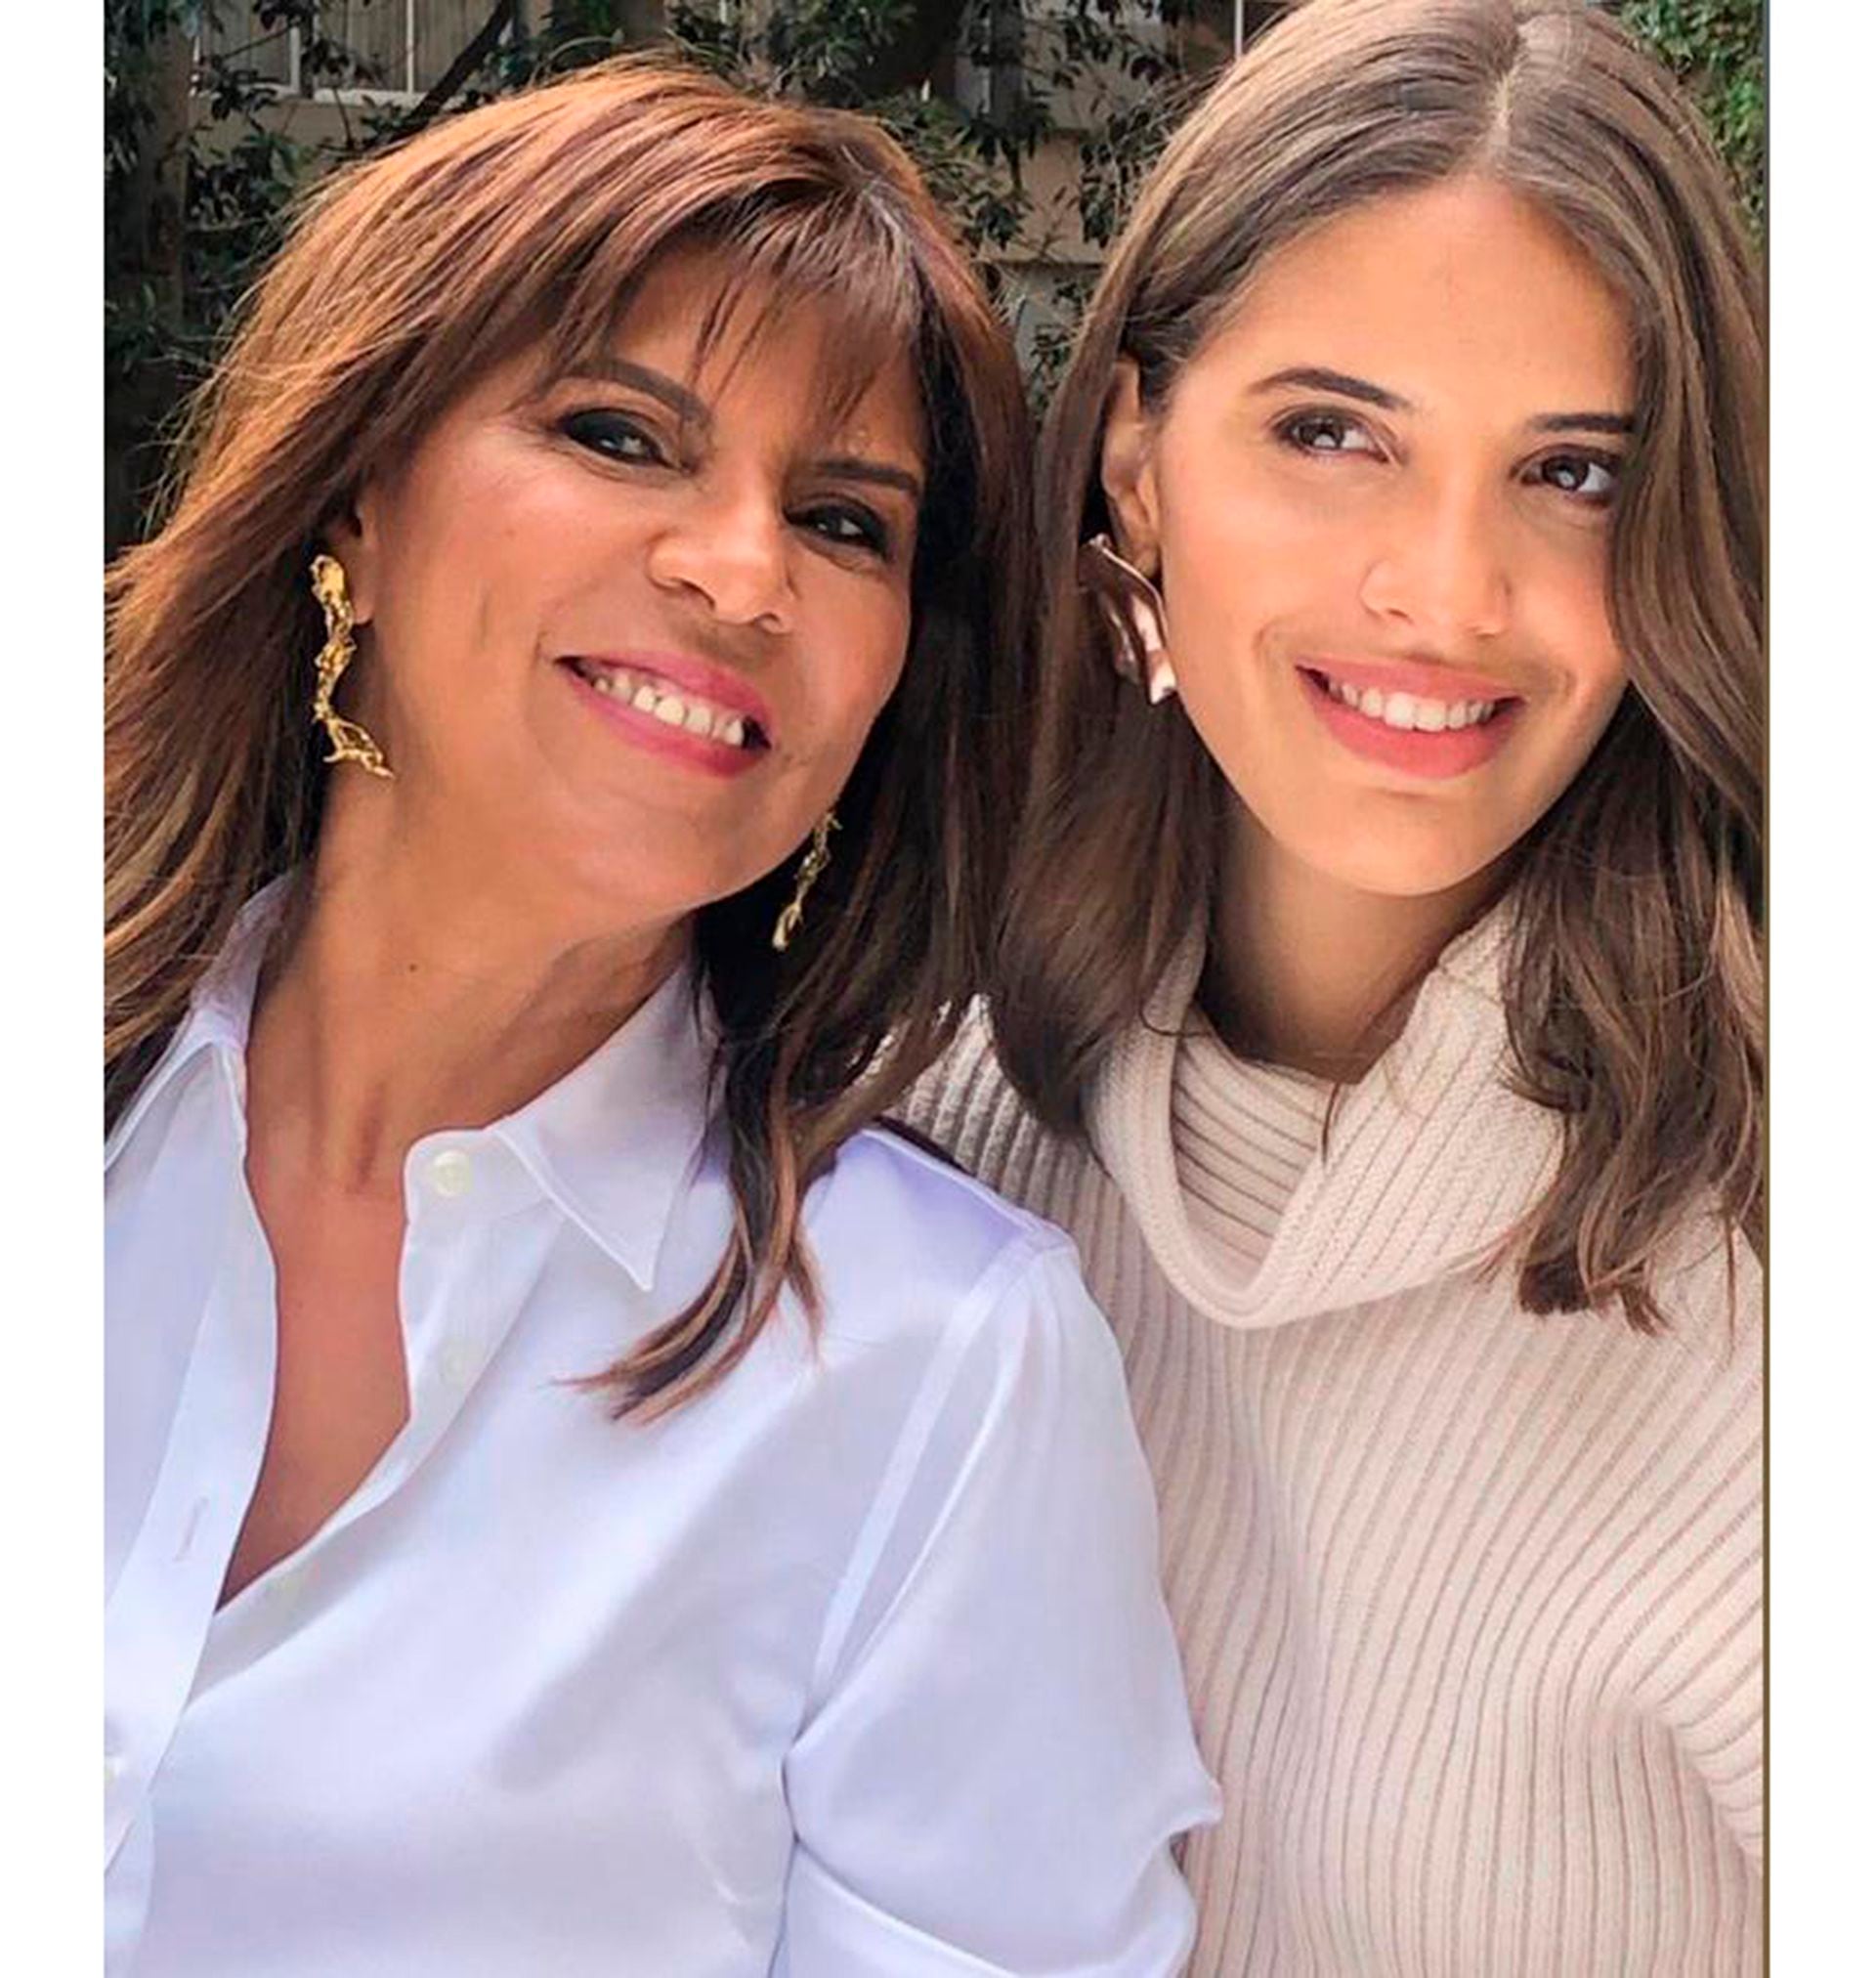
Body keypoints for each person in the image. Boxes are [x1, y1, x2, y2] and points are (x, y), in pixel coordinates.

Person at [105, 60, 1217, 1977]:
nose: (742, 568)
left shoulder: (939, 1366)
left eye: (847, 523)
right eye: (620, 435)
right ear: (356, 492)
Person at [903, 0, 1764, 1970]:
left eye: (1572, 472)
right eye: (1331, 433)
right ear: (1137, 460)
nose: (1447, 592)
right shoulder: (925, 1125)